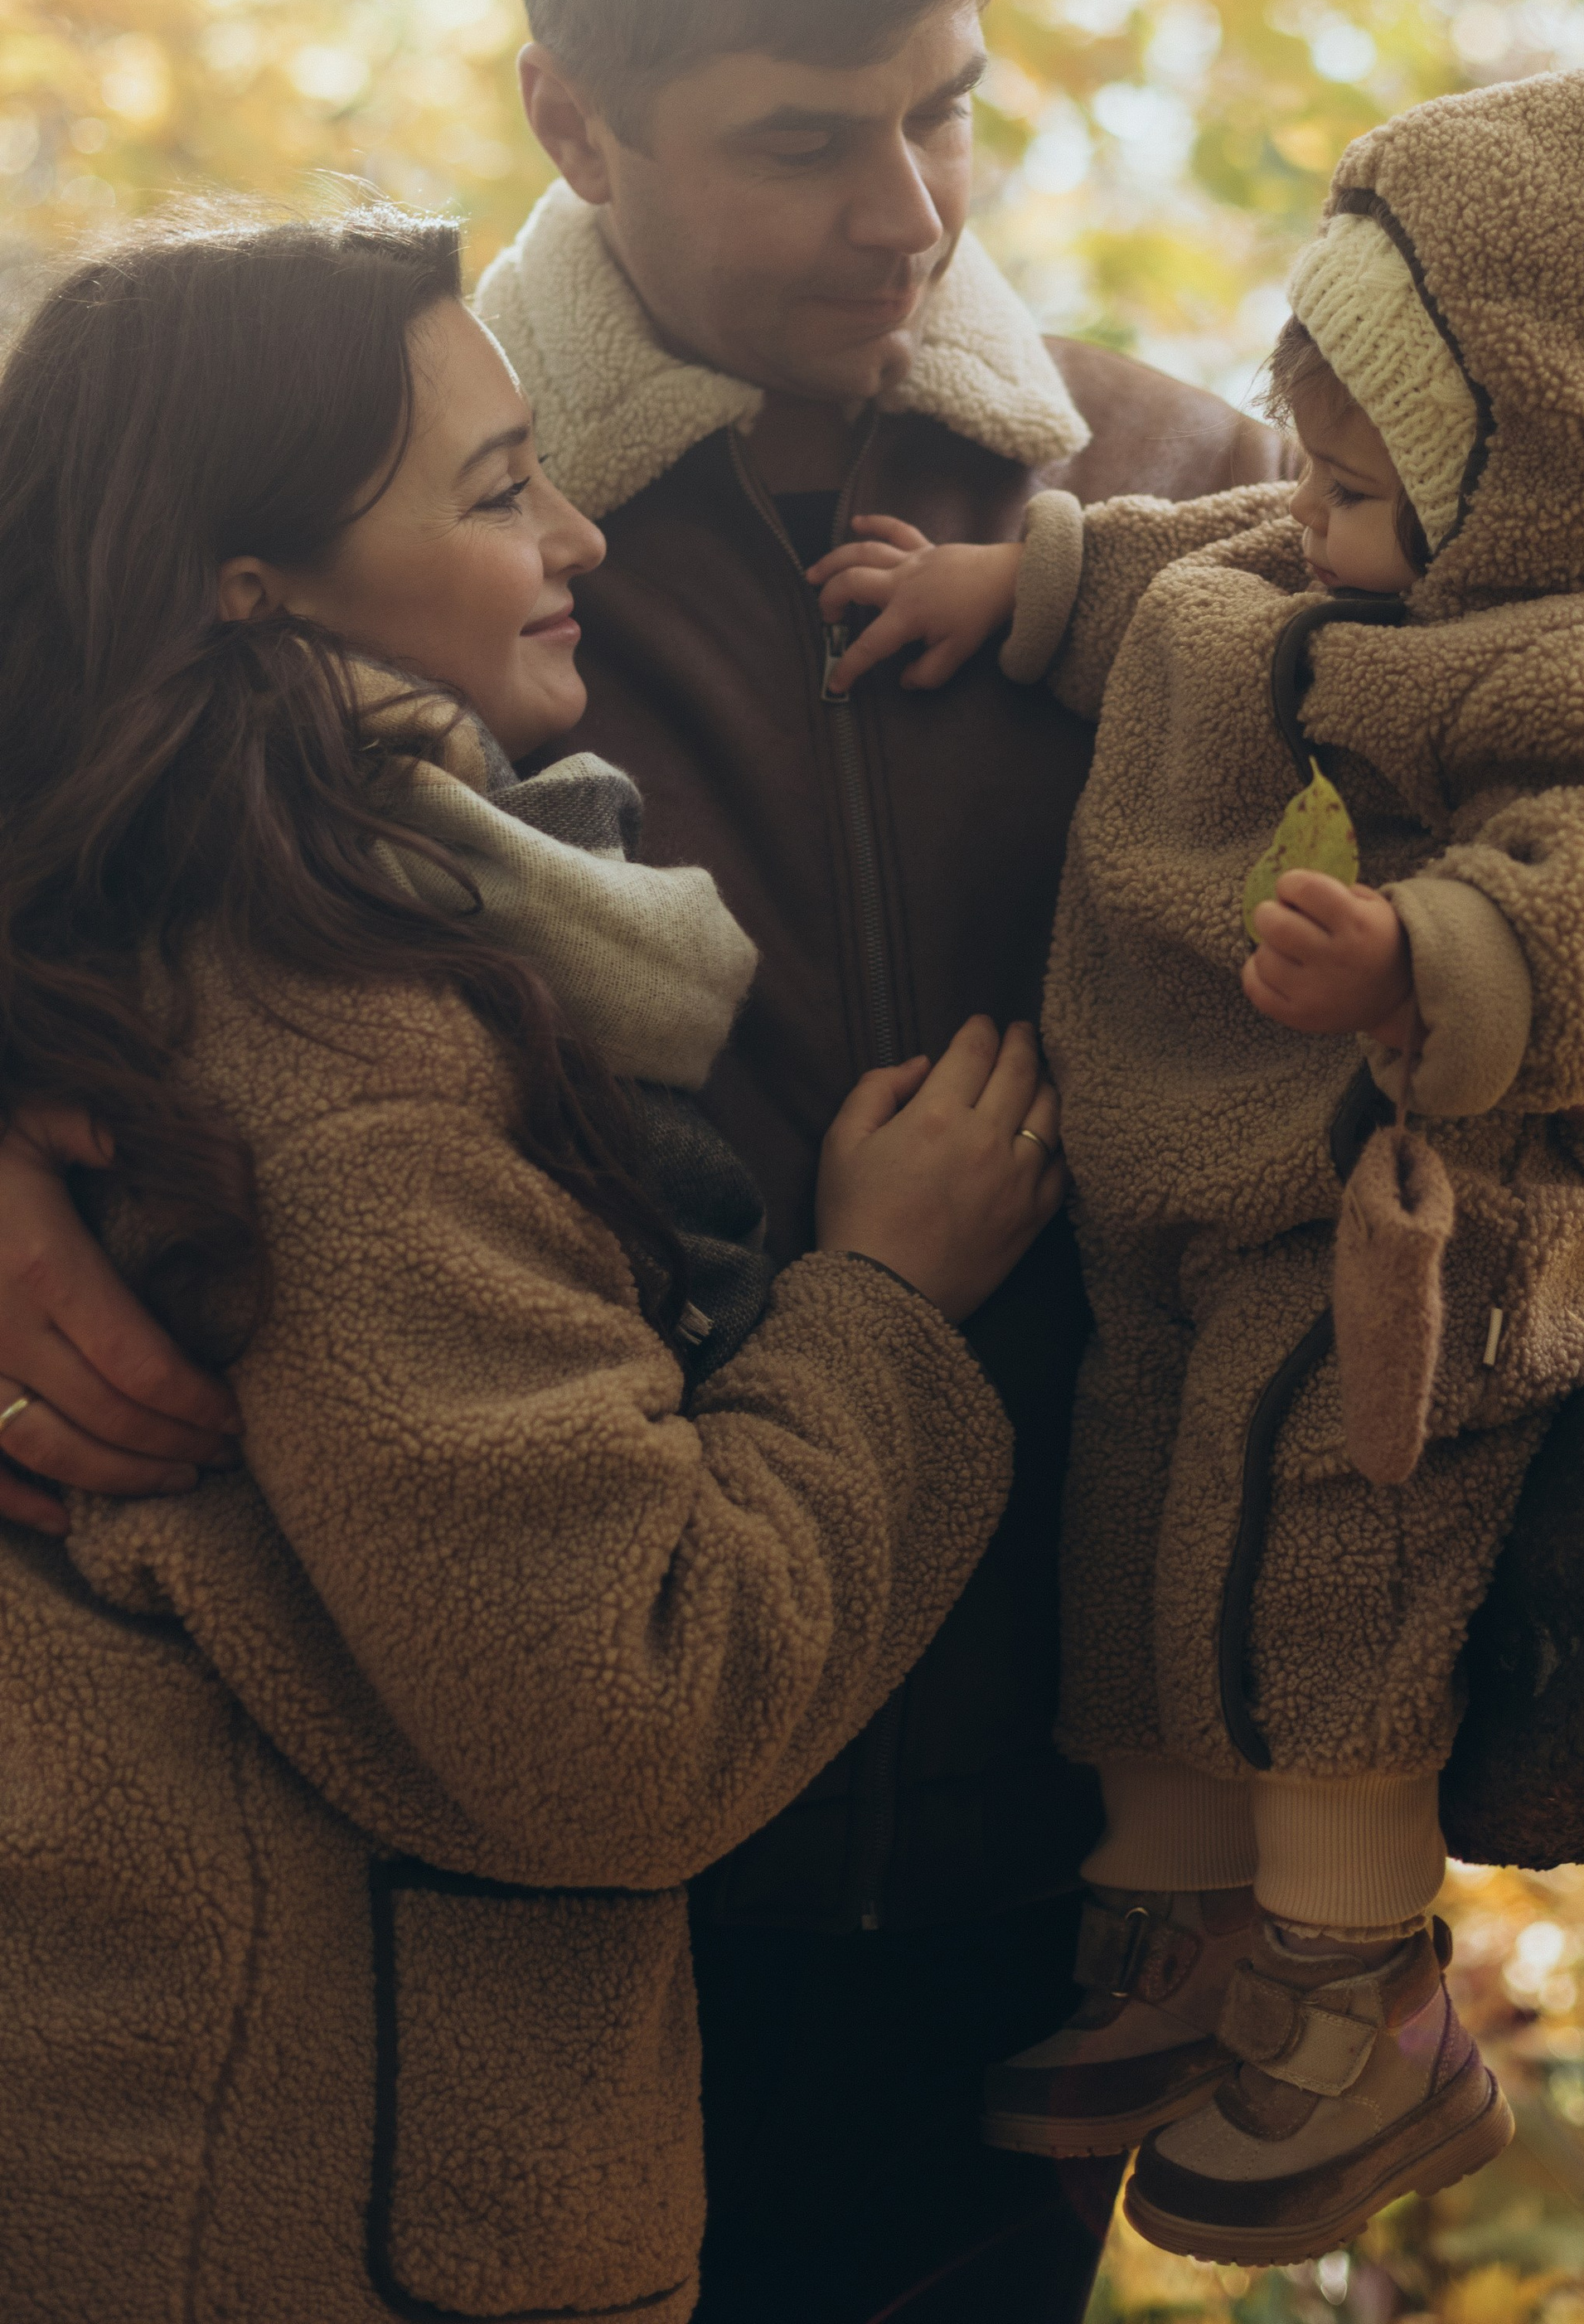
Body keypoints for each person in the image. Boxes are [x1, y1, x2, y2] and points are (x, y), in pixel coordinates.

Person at [0, 0, 1584, 2323]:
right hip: (473, 1922)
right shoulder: (385, 523)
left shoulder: (1195, 502)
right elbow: (81, 832)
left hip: (1043, 1873)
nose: (907, 213)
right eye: (800, 137)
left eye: (946, 110)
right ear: (574, 119)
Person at [810, 38, 1584, 2263]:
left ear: (1539, 471)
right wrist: (1013, 590)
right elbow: (1181, 561)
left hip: (1423, 1213)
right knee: (1149, 1519)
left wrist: (1427, 952)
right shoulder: (1338, 557)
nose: (1302, 512)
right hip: (1195, 1197)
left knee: (1327, 1543)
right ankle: (1175, 1913)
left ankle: (1356, 1987)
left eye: (1355, 485)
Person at [0, 207, 1062, 2322]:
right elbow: (621, 1718)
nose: (576, 533)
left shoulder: (236, 919)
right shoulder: (346, 1038)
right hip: (307, 2200)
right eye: (498, 491)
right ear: (255, 584)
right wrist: (885, 1306)